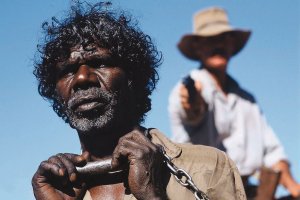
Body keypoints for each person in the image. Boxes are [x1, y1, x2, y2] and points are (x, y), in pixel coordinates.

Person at [31, 2, 246, 200]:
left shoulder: (208, 168)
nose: (81, 78)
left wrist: (152, 195)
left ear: (133, 79)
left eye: (100, 63)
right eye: (67, 71)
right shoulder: (57, 188)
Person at [168, 6, 300, 198]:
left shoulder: (248, 101)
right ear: (198, 47)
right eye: (210, 39)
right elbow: (192, 110)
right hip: (201, 192)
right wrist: (192, 102)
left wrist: (293, 187)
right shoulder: (190, 89)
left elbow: (274, 153)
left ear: (232, 44)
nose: (218, 45)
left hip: (248, 192)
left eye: (223, 38)